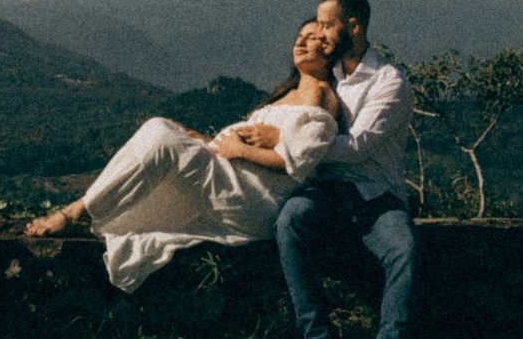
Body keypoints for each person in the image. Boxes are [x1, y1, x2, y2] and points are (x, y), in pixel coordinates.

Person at [23, 23, 341, 292]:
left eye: (313, 37)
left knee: (160, 132)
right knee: (164, 128)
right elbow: (263, 144)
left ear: (328, 48)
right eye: (300, 36)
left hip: (256, 200)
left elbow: (301, 161)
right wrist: (206, 143)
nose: (301, 41)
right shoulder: (288, 93)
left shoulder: (319, 93)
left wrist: (239, 150)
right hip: (235, 182)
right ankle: (90, 208)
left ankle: (76, 211)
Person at [277, 0, 416, 339]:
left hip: (377, 193)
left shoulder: (390, 82)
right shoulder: (327, 75)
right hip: (330, 190)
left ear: (352, 27)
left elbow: (358, 147)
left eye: (325, 25)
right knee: (290, 222)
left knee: (403, 246)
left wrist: (282, 144)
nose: (318, 34)